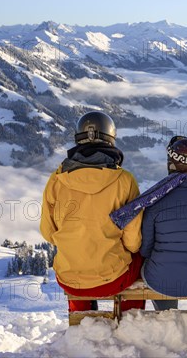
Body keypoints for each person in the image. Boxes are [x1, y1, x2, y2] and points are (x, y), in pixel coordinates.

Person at [40, 111, 145, 312]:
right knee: (140, 259)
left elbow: (48, 232)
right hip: (113, 278)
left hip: (69, 279)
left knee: (77, 272)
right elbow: (133, 243)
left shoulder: (56, 180)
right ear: (110, 140)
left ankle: (81, 316)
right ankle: (132, 318)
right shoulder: (124, 181)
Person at [110, 136, 187, 311]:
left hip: (160, 279)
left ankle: (165, 314)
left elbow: (145, 249)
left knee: (157, 270)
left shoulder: (155, 198)